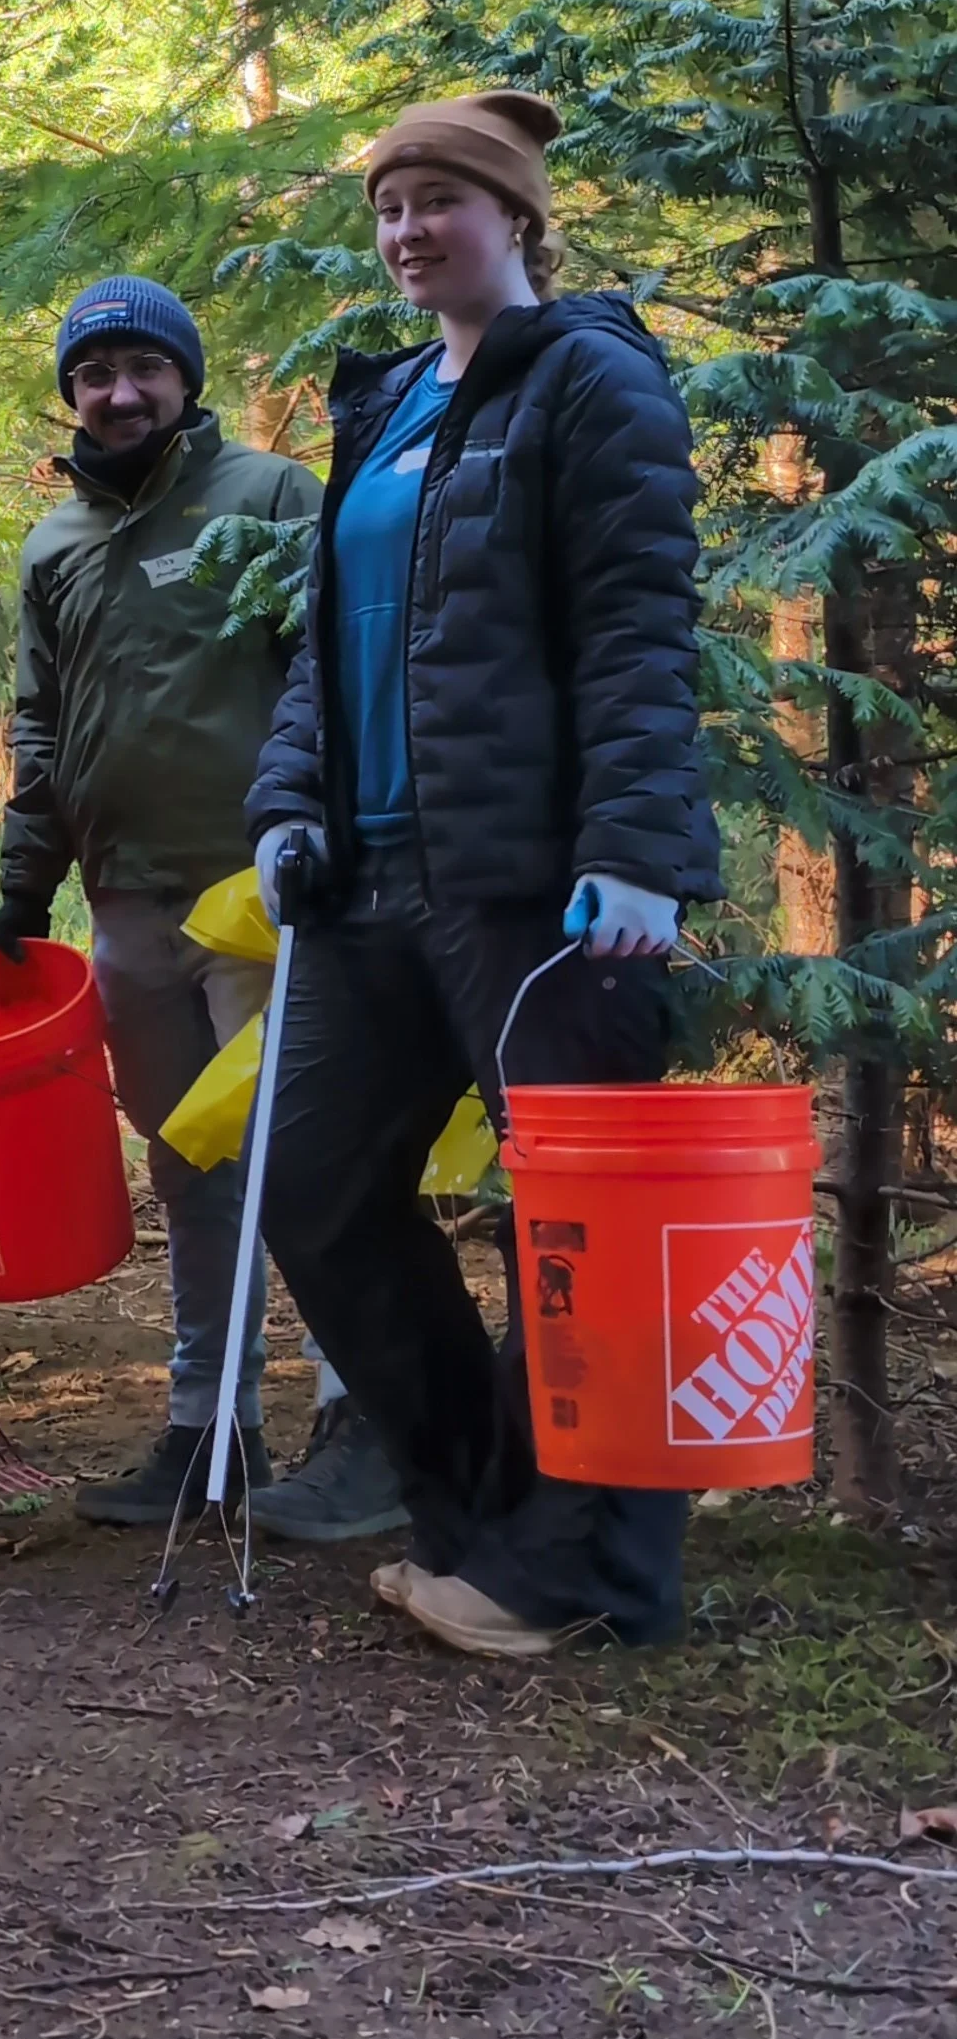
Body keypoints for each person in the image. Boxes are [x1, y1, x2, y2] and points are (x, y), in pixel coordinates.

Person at [247, 89, 718, 1657]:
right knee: (309, 1185)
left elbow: (640, 634)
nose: (405, 232)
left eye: (439, 200)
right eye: (387, 207)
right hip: (371, 882)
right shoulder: (383, 405)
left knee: (577, 1232)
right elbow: (329, 646)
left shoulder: (590, 381)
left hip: (539, 884)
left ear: (515, 216)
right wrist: (289, 802)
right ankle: (479, 1520)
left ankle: (579, 1572)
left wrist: (639, 853)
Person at [0, 277, 394, 1535]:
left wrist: (332, 832)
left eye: (142, 368)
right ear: (73, 394)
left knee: (300, 1157)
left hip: (261, 890)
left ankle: (361, 1416)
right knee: (188, 1166)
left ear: (186, 379)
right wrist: (23, 873)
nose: (119, 392)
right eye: (95, 372)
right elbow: (43, 720)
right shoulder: (54, 545)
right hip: (127, 904)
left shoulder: (269, 497)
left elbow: (340, 669)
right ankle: (208, 1427)